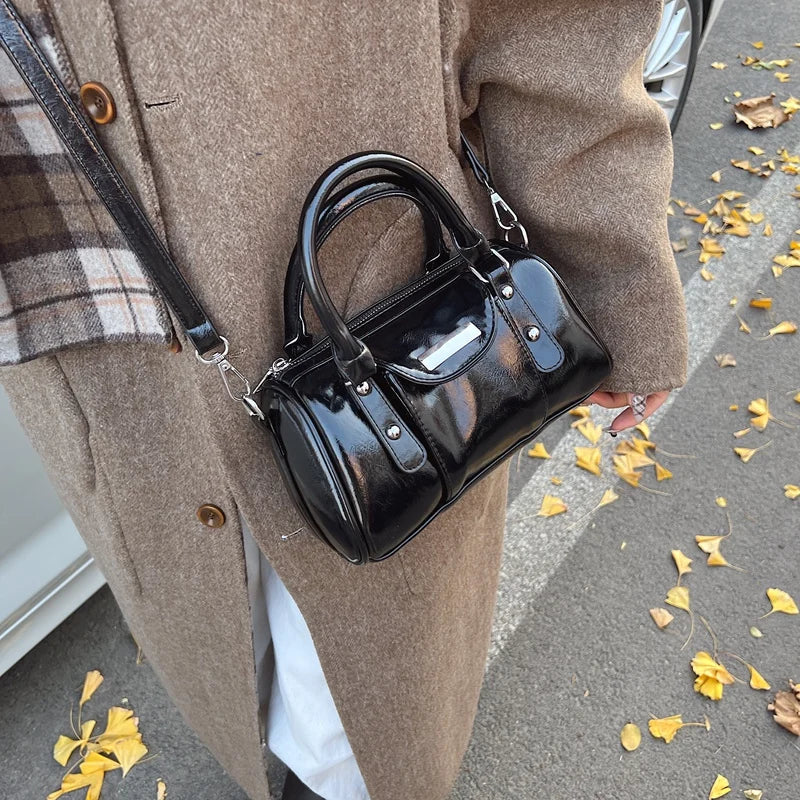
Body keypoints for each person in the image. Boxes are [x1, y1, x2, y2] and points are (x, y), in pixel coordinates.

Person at [0, 0, 688, 798]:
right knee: (225, 654)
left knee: (373, 702)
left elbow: (557, 26)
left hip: (385, 301)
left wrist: (615, 280)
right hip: (89, 345)